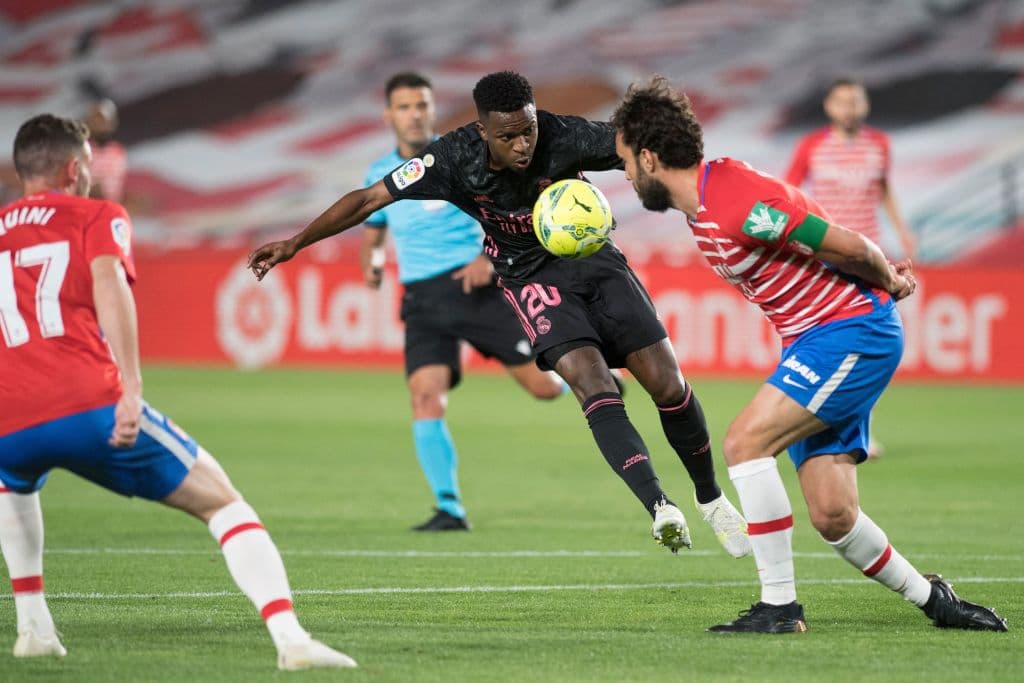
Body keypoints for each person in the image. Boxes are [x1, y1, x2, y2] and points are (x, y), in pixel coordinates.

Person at [249, 70, 751, 558]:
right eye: (507, 136)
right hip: (530, 278)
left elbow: (639, 151)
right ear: (483, 130)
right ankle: (659, 506)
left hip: (595, 262)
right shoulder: (448, 158)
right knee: (591, 385)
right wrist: (295, 243)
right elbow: (369, 199)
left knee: (667, 384)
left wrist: (695, 193)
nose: (522, 145)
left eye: (528, 130)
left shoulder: (565, 134)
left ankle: (710, 498)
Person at [610, 75, 1008, 634]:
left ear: (649, 158)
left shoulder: (734, 199)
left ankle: (779, 607)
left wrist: (889, 281)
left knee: (745, 443)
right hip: (816, 339)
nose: (626, 176)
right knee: (833, 515)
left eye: (626, 161)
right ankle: (934, 600)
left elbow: (848, 243)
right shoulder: (702, 204)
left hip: (850, 331)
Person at [0, 114, 356, 669]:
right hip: (85, 403)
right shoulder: (98, 215)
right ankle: (292, 641)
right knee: (223, 501)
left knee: (14, 484)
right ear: (74, 169)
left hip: (7, 420)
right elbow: (109, 285)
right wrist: (131, 388)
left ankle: (34, 629)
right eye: (89, 167)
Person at [360, 71, 566, 531]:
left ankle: (591, 375)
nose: (414, 114)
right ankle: (449, 507)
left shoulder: (460, 157)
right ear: (389, 115)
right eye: (404, 106)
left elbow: (512, 213)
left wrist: (486, 258)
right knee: (424, 395)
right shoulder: (378, 173)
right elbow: (373, 232)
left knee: (544, 388)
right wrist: (372, 259)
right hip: (423, 299)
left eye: (421, 105)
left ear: (433, 110)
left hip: (477, 289)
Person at [784, 78, 914, 459]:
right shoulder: (812, 146)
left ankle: (858, 431)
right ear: (829, 106)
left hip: (869, 255)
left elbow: (885, 189)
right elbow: (789, 192)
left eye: (855, 101)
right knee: (821, 336)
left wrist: (902, 231)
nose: (849, 108)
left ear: (865, 105)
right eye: (842, 101)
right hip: (824, 254)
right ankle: (808, 420)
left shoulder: (879, 146)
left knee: (866, 341)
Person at [83, 98, 127, 203]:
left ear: (112, 123)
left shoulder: (117, 152)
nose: (99, 125)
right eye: (95, 120)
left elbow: (117, 186)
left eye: (102, 120)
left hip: (108, 207)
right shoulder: (81, 150)